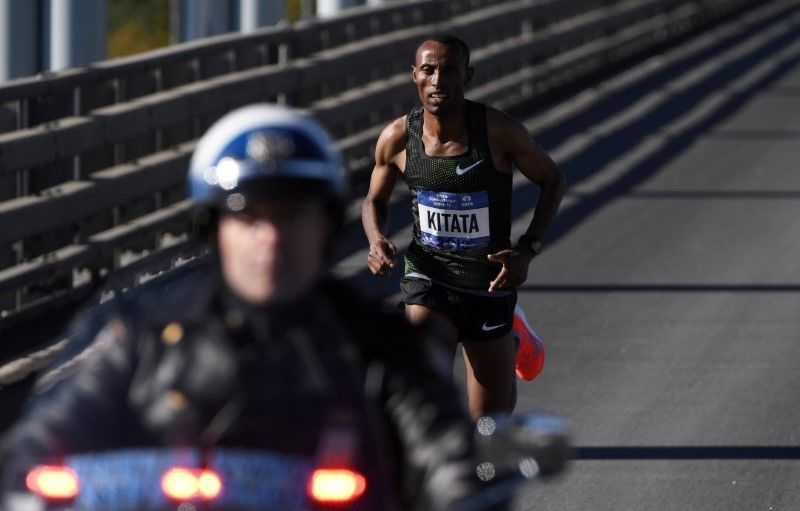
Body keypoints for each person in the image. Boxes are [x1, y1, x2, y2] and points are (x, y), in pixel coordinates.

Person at [0, 104, 493, 510]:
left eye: (292, 215)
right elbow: (41, 442)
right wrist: (30, 485)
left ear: (325, 225)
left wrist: (462, 490)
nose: (271, 239)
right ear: (213, 229)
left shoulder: (381, 343)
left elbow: (445, 455)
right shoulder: (137, 330)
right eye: (248, 216)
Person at [362, 33, 565, 420]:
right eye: (428, 70)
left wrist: (527, 249)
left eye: (449, 70)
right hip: (427, 276)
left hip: (486, 283)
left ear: (466, 77)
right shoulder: (397, 137)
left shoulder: (498, 132)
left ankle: (512, 337)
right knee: (422, 389)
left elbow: (552, 179)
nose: (438, 81)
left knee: (488, 426)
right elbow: (374, 200)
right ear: (414, 76)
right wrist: (376, 240)